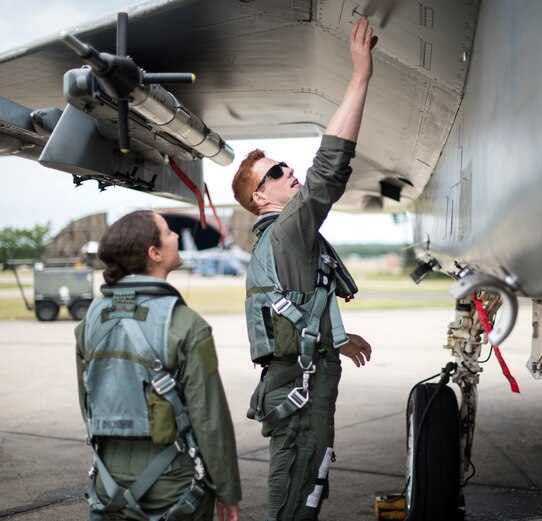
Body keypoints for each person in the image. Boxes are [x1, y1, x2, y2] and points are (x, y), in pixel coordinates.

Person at [231, 17, 376, 521]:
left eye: (284, 164)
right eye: (275, 172)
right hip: (299, 384)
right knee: (295, 494)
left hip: (300, 376)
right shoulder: (288, 229)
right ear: (259, 197)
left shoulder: (287, 241)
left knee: (305, 488)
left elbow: (302, 303)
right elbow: (329, 170)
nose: (288, 172)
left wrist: (336, 337)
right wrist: (359, 77)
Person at [74, 210, 241, 521]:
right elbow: (210, 419)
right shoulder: (186, 324)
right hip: (172, 482)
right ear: (154, 253)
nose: (176, 236)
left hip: (108, 479)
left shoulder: (91, 320)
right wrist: (227, 489)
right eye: (168, 233)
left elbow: (88, 401)